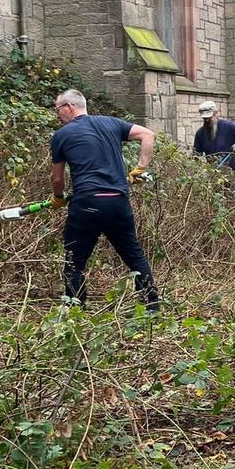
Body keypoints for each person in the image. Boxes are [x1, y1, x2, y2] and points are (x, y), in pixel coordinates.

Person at [49, 89, 161, 310]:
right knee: (134, 256)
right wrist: (140, 169)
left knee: (74, 261)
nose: (57, 115)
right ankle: (152, 308)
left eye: (58, 109)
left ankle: (75, 311)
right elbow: (148, 135)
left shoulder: (62, 135)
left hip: (86, 203)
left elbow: (57, 177)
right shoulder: (111, 123)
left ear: (69, 107)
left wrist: (58, 197)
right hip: (118, 202)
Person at [192, 101, 235, 171]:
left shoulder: (228, 126)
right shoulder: (200, 134)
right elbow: (196, 157)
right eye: (204, 118)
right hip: (213, 175)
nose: (207, 120)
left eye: (209, 117)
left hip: (232, 173)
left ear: (216, 113)